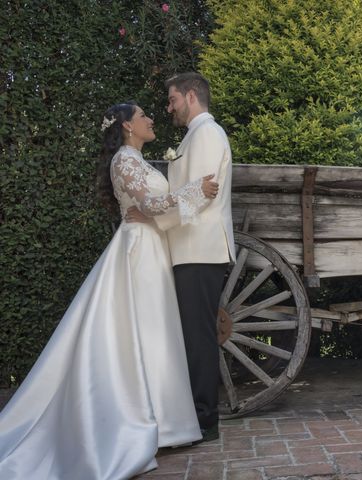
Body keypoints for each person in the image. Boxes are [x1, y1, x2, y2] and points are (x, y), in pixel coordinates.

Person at [0, 101, 219, 479]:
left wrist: (175, 201)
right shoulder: (124, 160)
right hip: (138, 251)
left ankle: (165, 421)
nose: (151, 119)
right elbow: (148, 204)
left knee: (156, 332)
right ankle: (145, 420)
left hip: (153, 248)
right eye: (143, 116)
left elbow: (151, 208)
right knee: (140, 331)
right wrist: (195, 191)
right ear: (128, 127)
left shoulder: (137, 159)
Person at [129, 72, 235, 442]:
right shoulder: (195, 135)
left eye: (173, 99)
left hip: (200, 249)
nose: (169, 107)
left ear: (191, 97)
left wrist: (155, 219)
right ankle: (197, 414)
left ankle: (206, 420)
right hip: (189, 248)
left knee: (199, 337)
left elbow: (203, 193)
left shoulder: (206, 133)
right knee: (193, 335)